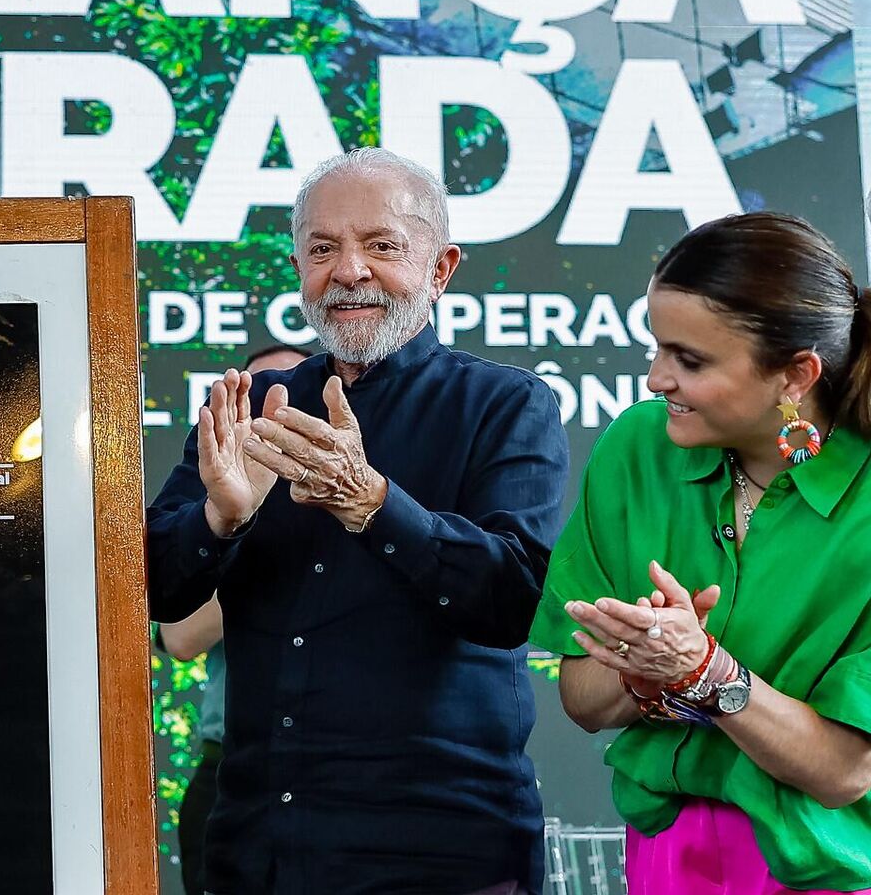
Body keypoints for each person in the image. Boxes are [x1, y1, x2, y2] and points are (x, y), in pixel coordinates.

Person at [145, 147, 568, 895]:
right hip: (259, 848)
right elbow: (156, 592)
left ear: (441, 269)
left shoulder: (507, 405)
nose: (348, 271)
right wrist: (222, 518)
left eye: (381, 246)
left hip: (439, 853)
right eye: (322, 249)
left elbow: (514, 601)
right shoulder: (253, 404)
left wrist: (372, 504)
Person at [532, 212, 871, 894]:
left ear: (795, 375)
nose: (657, 380)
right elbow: (582, 698)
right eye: (656, 348)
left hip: (830, 865)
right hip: (664, 849)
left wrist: (706, 672)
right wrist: (651, 670)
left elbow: (843, 770)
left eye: (689, 360)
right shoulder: (637, 447)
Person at [155, 345, 310, 895]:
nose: (277, 414)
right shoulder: (211, 515)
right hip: (233, 769)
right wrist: (240, 523)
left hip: (339, 775)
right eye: (260, 397)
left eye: (293, 395)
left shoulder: (352, 500)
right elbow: (178, 638)